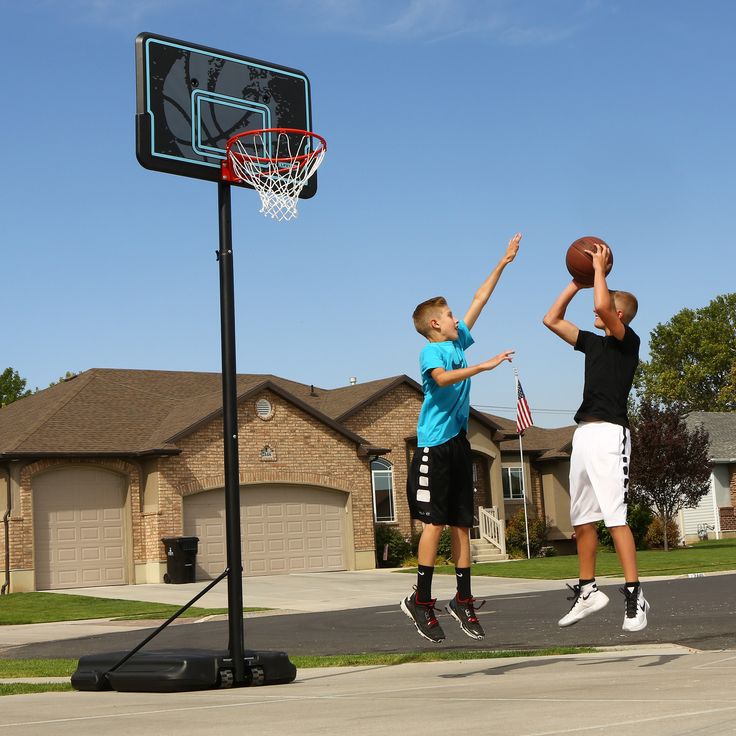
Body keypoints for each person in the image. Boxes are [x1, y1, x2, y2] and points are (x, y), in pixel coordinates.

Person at [400, 233, 521, 642]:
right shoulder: (431, 353)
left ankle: (462, 600)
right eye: (450, 315)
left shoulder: (457, 341)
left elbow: (479, 299)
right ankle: (421, 599)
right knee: (433, 524)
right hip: (433, 447)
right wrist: (483, 368)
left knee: (462, 525)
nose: (457, 319)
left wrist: (503, 262)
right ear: (435, 323)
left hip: (458, 445)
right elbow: (443, 379)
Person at [543, 241, 649, 632]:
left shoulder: (627, 342)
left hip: (610, 435)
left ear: (620, 315)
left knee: (615, 517)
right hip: (584, 434)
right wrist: (577, 282)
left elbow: (603, 307)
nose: (594, 308)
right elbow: (551, 319)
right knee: (583, 520)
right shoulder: (592, 343)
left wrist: (600, 271)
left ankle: (636, 594)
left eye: (604, 306)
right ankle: (588, 591)